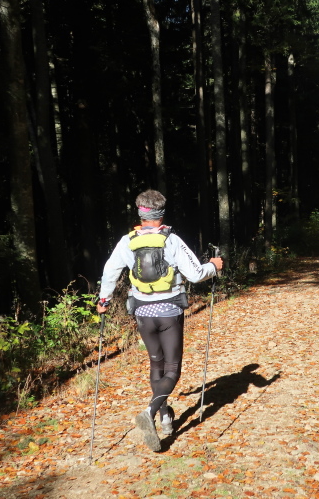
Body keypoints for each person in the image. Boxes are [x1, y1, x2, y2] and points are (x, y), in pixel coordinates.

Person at [95, 189, 223, 452]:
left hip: (142, 313)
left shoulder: (127, 241)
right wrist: (214, 266)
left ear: (140, 214)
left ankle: (165, 418)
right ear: (161, 214)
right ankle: (151, 411)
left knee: (156, 363)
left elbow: (110, 272)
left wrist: (103, 301)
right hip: (169, 311)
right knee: (172, 368)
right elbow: (195, 274)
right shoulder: (171, 240)